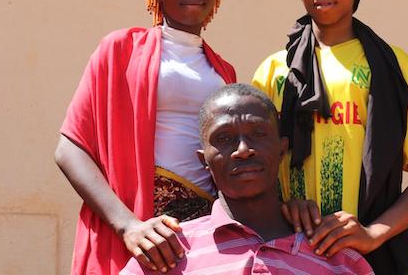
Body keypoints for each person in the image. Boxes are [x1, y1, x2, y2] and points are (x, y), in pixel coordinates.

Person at [252, 0, 408, 274]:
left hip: (370, 260)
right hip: (287, 253)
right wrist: (281, 207)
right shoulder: (274, 70)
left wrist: (372, 233)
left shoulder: (391, 66)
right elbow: (251, 166)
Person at [55, 0, 236, 275]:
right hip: (137, 226)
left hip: (199, 233)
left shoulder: (225, 71)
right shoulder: (120, 49)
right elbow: (68, 149)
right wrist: (128, 226)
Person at [120, 83, 374, 275]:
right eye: (223, 139)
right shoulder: (168, 251)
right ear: (204, 160)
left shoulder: (341, 261)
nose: (243, 149)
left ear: (282, 149)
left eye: (258, 133)